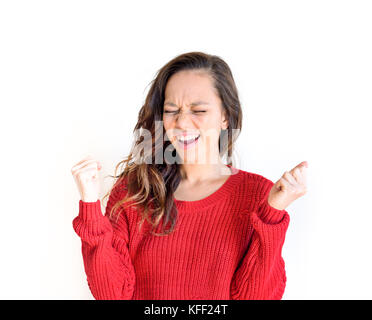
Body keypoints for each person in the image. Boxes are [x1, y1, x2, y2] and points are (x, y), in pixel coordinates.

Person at [71, 51, 308, 300]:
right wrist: (90, 206)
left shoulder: (259, 194)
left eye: (198, 110)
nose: (182, 123)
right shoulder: (134, 190)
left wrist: (274, 211)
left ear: (225, 116)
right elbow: (112, 295)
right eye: (172, 110)